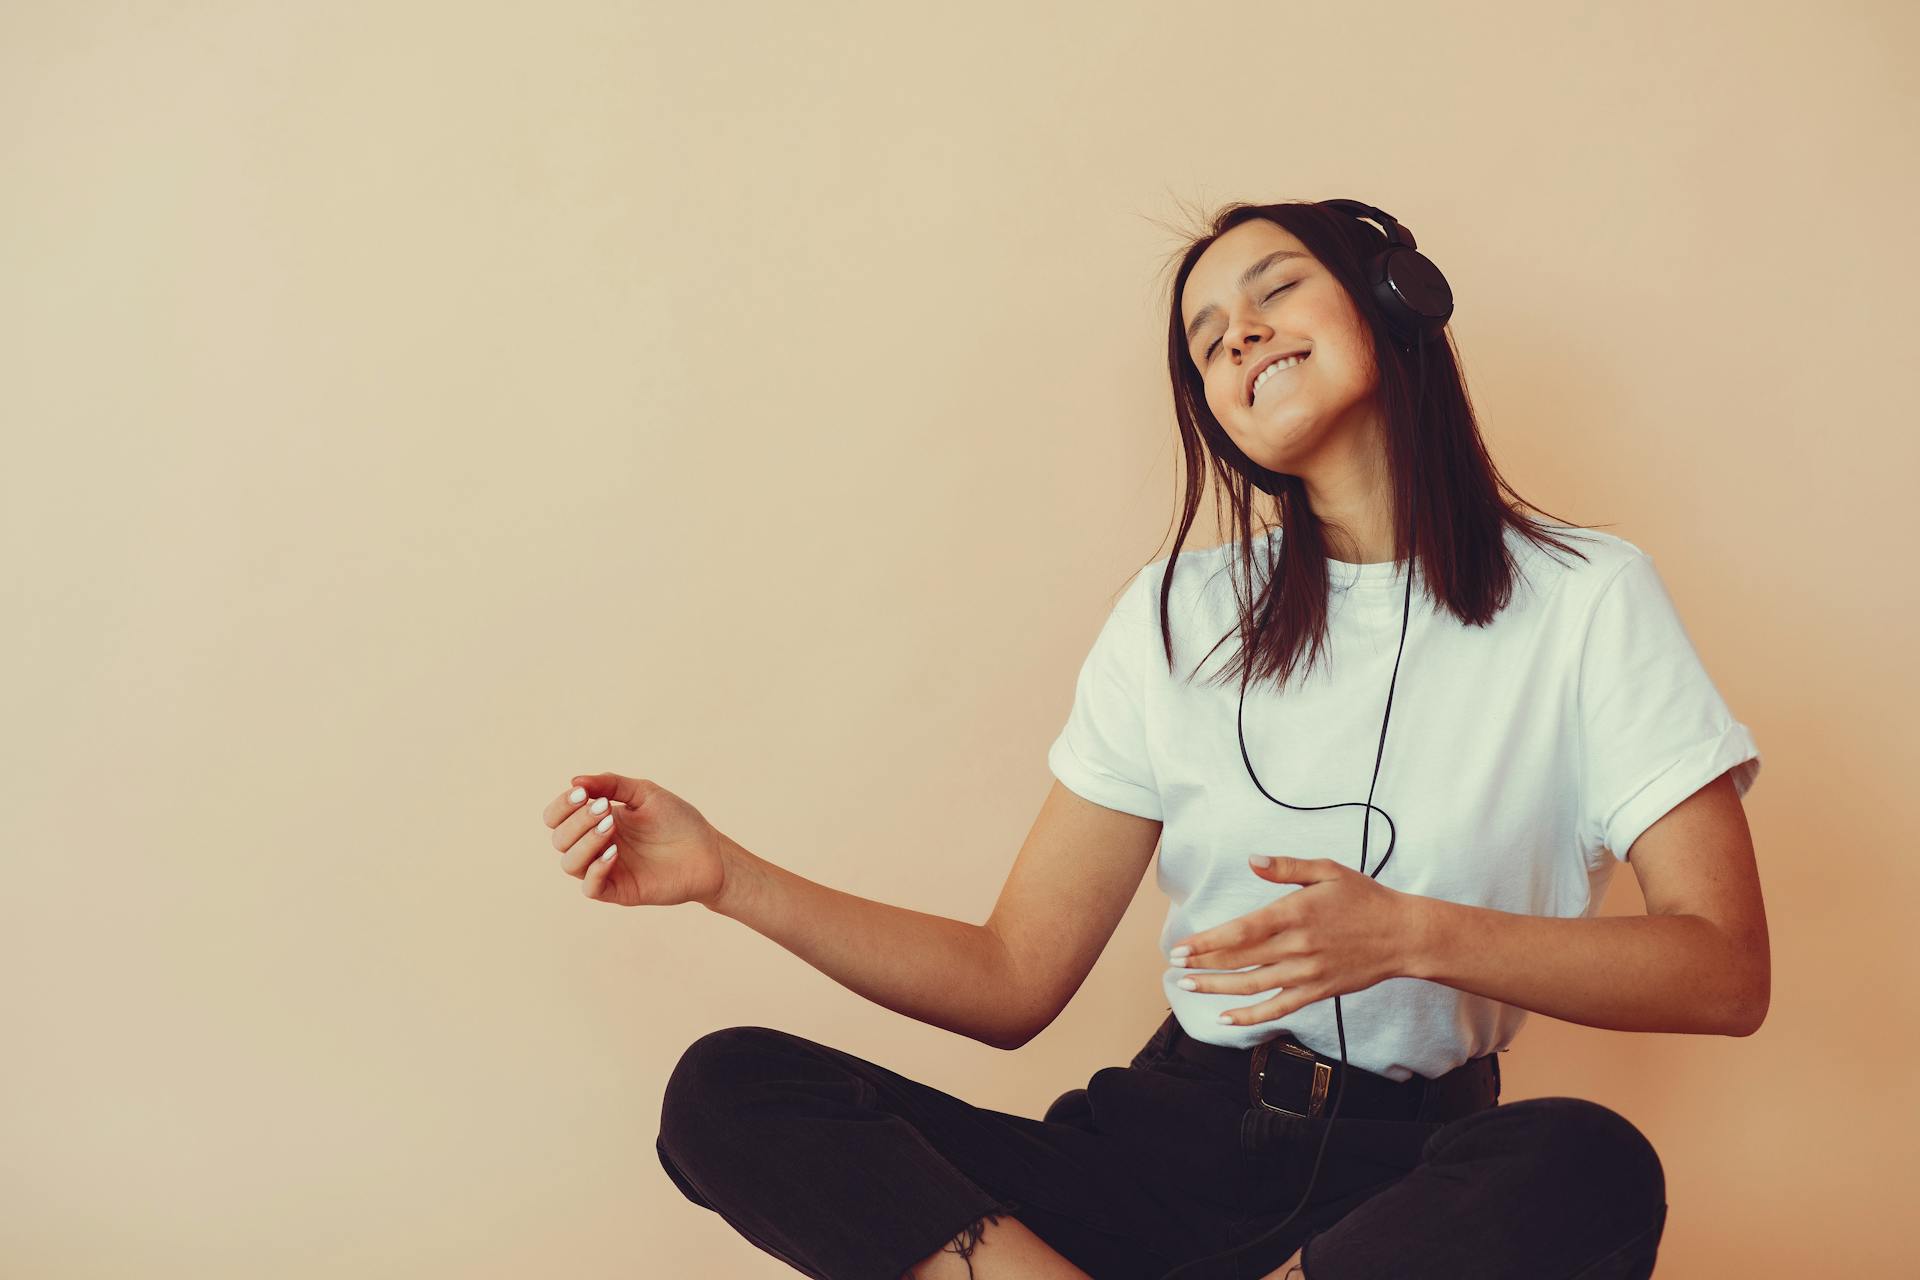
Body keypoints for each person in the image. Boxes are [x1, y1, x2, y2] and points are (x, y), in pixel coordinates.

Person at [540, 199, 1768, 1280]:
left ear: (1399, 301)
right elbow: (1012, 979)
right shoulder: (1174, 614)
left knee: (1586, 1162)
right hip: (1154, 1151)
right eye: (1205, 336)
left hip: (1404, 1187)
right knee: (732, 1086)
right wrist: (727, 874)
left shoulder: (1591, 599)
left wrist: (1411, 933)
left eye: (1276, 288)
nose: (1239, 333)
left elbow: (1724, 969)